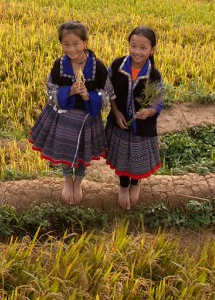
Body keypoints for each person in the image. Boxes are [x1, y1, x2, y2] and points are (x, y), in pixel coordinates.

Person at [28, 20, 109, 204]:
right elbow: (51, 88)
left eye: (75, 44)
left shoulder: (98, 67)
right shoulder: (60, 65)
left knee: (81, 152)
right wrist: (69, 91)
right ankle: (67, 181)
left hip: (87, 117)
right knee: (65, 150)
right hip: (63, 114)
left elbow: (107, 93)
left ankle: (78, 182)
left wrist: (89, 96)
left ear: (85, 42)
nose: (71, 49)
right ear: (61, 44)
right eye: (66, 44)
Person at [105, 26, 164, 210]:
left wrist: (149, 112)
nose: (137, 52)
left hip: (142, 128)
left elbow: (158, 101)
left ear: (152, 50)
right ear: (128, 45)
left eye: (143, 48)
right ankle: (123, 186)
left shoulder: (153, 74)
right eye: (133, 46)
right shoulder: (117, 66)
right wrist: (116, 112)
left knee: (137, 160)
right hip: (119, 123)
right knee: (122, 158)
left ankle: (135, 184)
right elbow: (108, 90)